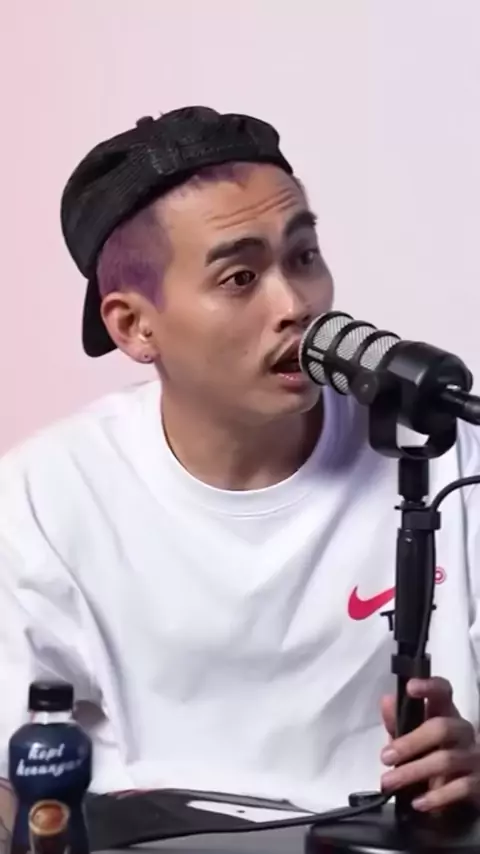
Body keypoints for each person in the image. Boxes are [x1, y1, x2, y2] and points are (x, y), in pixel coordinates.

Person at [1, 106, 480, 837]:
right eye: (240, 277)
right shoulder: (42, 499)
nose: (296, 305)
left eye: (304, 256)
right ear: (134, 325)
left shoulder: (444, 452)